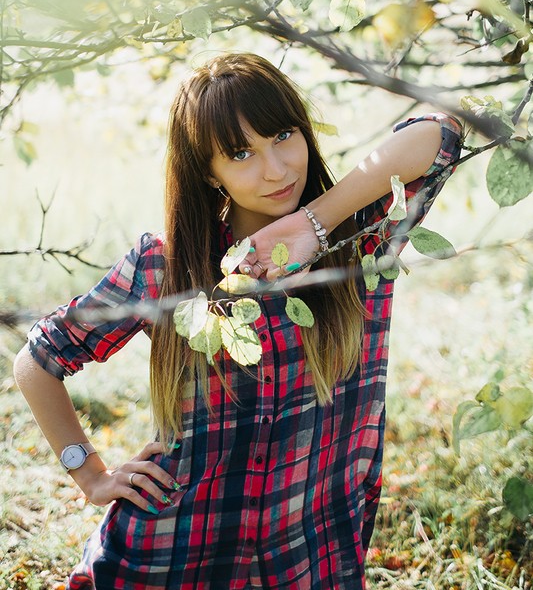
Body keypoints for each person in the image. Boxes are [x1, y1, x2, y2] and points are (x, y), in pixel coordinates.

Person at [14, 52, 463, 590]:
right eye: (241, 153)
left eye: (283, 136)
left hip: (308, 553)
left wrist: (313, 225)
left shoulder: (359, 238)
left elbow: (442, 130)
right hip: (176, 556)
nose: (275, 169)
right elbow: (37, 361)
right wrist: (89, 474)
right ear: (209, 170)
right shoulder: (168, 265)